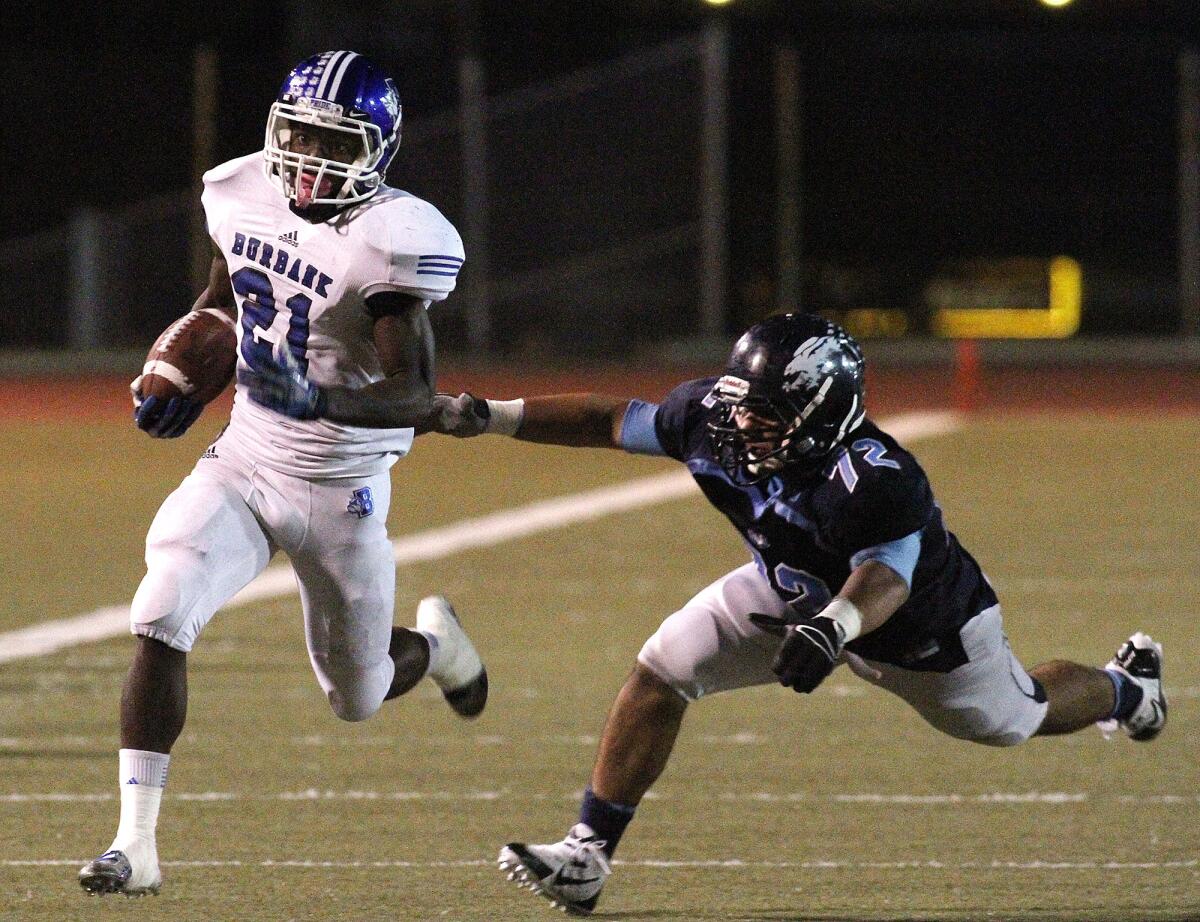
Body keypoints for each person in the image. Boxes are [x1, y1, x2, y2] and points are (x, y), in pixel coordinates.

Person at [435, 312, 1167, 916]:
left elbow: (888, 577)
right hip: (791, 596)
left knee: (1018, 716)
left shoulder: (874, 478)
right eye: (742, 400)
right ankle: (586, 855)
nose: (742, 420)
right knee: (662, 669)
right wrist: (493, 416)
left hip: (924, 634)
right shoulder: (711, 417)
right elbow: (610, 418)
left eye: (766, 410)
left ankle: (1129, 690)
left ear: (822, 410)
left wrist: (834, 628)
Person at [79, 50, 488, 897]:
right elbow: (225, 300)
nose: (306, 158)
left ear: (378, 151)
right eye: (297, 133)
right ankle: (136, 844)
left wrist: (317, 401)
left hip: (344, 488)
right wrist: (178, 365)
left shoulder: (395, 239)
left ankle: (440, 649)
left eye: (333, 144)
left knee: (357, 697)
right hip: (248, 461)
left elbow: (414, 396)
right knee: (161, 608)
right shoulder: (238, 190)